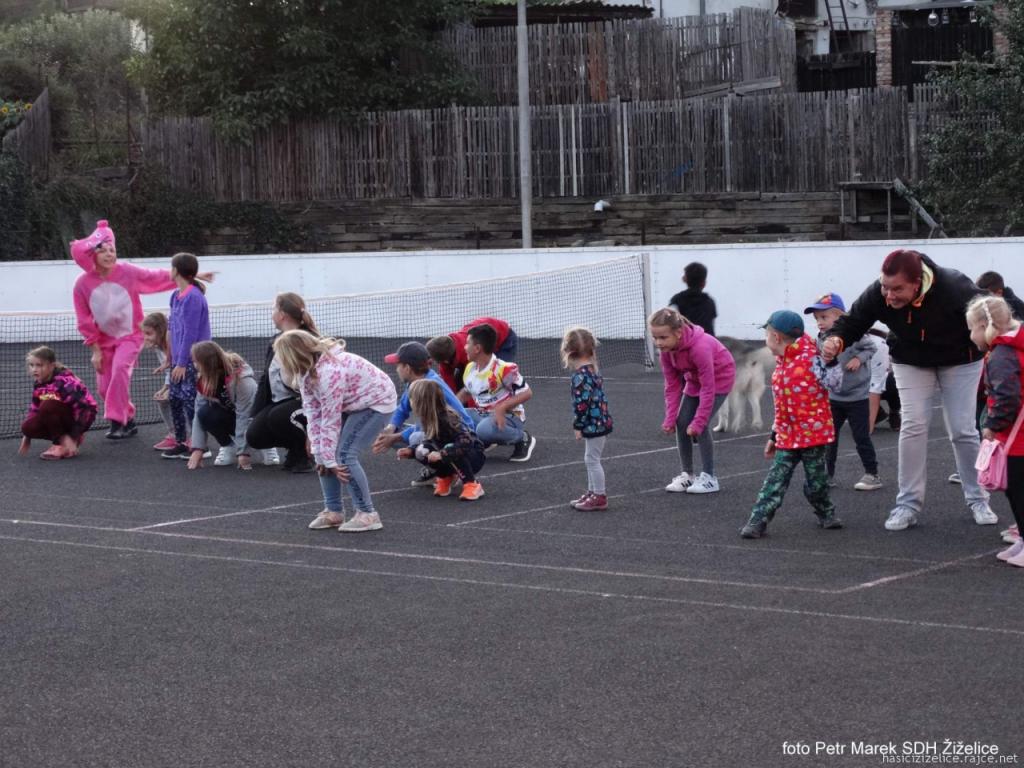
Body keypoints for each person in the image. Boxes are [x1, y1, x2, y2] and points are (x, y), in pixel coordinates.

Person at [822, 249, 997, 531]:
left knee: (963, 429)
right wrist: (834, 339)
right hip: (911, 360)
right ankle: (907, 505)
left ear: (918, 283)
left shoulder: (954, 287)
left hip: (961, 360)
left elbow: (990, 316)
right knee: (913, 426)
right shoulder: (879, 294)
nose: (889, 296)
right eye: (885, 287)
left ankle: (978, 498)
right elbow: (852, 322)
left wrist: (997, 351)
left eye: (898, 289)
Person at [70, 220, 202, 439]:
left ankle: (117, 421)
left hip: (130, 337)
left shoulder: (127, 271)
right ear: (92, 255)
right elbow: (84, 320)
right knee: (105, 387)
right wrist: (95, 351)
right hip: (103, 342)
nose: (109, 254)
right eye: (102, 250)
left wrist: (191, 276)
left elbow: (155, 277)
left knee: (120, 371)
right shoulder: (82, 284)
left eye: (112, 249)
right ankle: (128, 418)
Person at [274, 330, 397, 533]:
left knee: (344, 455)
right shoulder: (306, 373)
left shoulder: (330, 372)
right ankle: (334, 511)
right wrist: (320, 455)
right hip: (350, 403)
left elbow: (330, 419)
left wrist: (330, 460)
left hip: (376, 402)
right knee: (324, 453)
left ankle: (367, 514)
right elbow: (313, 413)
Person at [740, 311, 843, 539]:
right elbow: (782, 407)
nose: (766, 340)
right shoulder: (782, 363)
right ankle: (758, 520)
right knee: (775, 481)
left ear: (776, 337)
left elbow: (834, 384)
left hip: (813, 436)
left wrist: (832, 361)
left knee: (817, 483)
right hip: (787, 436)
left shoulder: (812, 358)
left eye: (766, 334)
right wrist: (774, 436)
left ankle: (825, 511)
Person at [650, 307, 736, 495]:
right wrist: (669, 419)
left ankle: (709, 477)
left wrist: (698, 422)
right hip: (695, 379)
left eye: (663, 338)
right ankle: (687, 475)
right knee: (682, 422)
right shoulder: (666, 352)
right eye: (655, 338)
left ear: (678, 333)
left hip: (720, 378)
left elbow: (708, 387)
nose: (658, 343)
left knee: (701, 425)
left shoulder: (700, 347)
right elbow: (672, 387)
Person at [372, 341, 476, 489]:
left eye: (398, 365)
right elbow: (402, 409)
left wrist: (393, 438)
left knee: (415, 437)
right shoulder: (415, 382)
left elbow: (427, 427)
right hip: (439, 431)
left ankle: (445, 470)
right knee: (391, 431)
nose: (396, 369)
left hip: (461, 438)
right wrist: (389, 430)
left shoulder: (430, 387)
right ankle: (441, 466)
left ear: (407, 368)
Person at [804, 293, 882, 491]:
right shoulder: (821, 338)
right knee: (829, 438)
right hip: (834, 397)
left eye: (824, 317)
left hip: (857, 397)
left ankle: (872, 474)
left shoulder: (854, 335)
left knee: (861, 437)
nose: (819, 323)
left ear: (839, 317)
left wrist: (859, 359)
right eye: (817, 319)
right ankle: (827, 475)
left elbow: (871, 348)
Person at [966, 295, 1019, 562]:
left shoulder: (1002, 355)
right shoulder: (1011, 349)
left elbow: (1007, 395)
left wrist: (992, 425)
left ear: (984, 326)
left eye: (971, 328)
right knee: (1015, 488)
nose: (971, 335)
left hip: (1016, 437)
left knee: (1018, 489)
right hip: (1017, 434)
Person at [245, 292, 319, 473]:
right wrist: (256, 411)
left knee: (278, 416)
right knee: (255, 436)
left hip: (309, 400)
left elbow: (314, 380)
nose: (272, 313)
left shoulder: (305, 340)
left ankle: (307, 452)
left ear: (282, 314)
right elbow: (266, 378)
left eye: (274, 308)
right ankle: (295, 447)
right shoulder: (275, 341)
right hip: (281, 401)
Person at [398, 378, 486, 501]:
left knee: (450, 447)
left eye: (412, 399)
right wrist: (411, 451)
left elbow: (465, 442)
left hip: (473, 455)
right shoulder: (428, 419)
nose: (410, 402)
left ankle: (472, 484)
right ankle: (445, 477)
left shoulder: (447, 419)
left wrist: (442, 454)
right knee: (421, 450)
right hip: (450, 453)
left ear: (422, 402)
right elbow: (429, 441)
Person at [458, 323, 536, 462]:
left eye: (467, 343)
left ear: (477, 348)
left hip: (510, 417)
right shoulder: (470, 368)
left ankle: (522, 437)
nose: (464, 347)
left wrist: (502, 407)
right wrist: (449, 408)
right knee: (456, 417)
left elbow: (527, 393)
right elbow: (466, 392)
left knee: (483, 430)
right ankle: (484, 441)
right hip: (483, 415)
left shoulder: (503, 369)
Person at [161, 253, 211, 460]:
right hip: (179, 360)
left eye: (171, 267)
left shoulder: (193, 297)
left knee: (190, 401)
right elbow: (172, 328)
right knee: (175, 399)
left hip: (192, 360)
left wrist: (182, 362)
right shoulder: (175, 296)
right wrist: (169, 357)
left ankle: (200, 445)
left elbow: (190, 332)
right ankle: (182, 441)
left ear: (176, 271)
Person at [561, 327, 613, 511]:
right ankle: (593, 492)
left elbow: (582, 405)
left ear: (568, 352)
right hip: (600, 421)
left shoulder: (580, 377)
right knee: (590, 458)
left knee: (592, 459)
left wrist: (578, 425)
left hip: (594, 424)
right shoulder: (592, 371)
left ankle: (599, 495)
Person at [184, 341, 257, 471]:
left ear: (207, 364)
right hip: (232, 416)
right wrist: (197, 448)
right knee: (204, 413)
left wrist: (243, 452)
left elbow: (244, 416)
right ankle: (228, 446)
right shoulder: (204, 380)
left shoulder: (243, 381)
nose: (194, 365)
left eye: (196, 362)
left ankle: (267, 447)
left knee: (257, 431)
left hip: (254, 419)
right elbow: (198, 412)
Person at [19, 346, 97, 461]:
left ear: (51, 366)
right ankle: (64, 439)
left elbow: (84, 409)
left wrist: (74, 434)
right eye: (31, 365)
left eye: (39, 365)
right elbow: (35, 408)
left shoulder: (65, 382)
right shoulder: (39, 383)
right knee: (28, 427)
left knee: (48, 405)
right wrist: (27, 436)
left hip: (81, 417)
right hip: (57, 417)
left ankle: (60, 444)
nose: (34, 369)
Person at [427, 317, 517, 396]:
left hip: (505, 339)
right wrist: (453, 405)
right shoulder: (446, 349)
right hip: (484, 337)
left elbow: (474, 390)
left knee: (494, 379)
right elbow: (449, 385)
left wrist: (472, 413)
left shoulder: (469, 354)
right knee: (461, 382)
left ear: (445, 360)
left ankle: (502, 407)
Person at [141, 312, 177, 451]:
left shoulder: (173, 345)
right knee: (162, 400)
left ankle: (189, 437)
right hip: (176, 380)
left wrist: (171, 390)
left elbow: (177, 368)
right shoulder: (158, 348)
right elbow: (169, 370)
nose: (145, 337)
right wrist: (164, 388)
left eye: (149, 333)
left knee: (178, 402)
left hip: (192, 380)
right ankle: (174, 434)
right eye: (144, 333)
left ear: (160, 331)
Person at [865, 327, 901, 434]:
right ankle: (878, 413)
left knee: (894, 380)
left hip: (884, 380)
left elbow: (876, 382)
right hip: (866, 381)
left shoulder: (877, 344)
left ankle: (894, 411)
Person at [668, 261, 717, 336]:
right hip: (706, 341)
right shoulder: (710, 302)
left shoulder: (676, 300)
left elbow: (670, 322)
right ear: (704, 283)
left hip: (686, 342)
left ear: (684, 279)